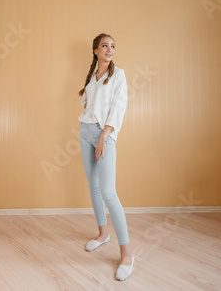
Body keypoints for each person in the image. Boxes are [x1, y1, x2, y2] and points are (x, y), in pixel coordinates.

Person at [78, 33, 134, 281]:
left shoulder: (118, 75)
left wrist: (104, 135)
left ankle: (127, 254)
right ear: (95, 51)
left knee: (108, 192)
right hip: (85, 132)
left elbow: (118, 107)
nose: (110, 49)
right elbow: (88, 104)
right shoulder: (92, 76)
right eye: (105, 46)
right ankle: (103, 234)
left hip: (105, 135)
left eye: (113, 46)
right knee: (93, 186)